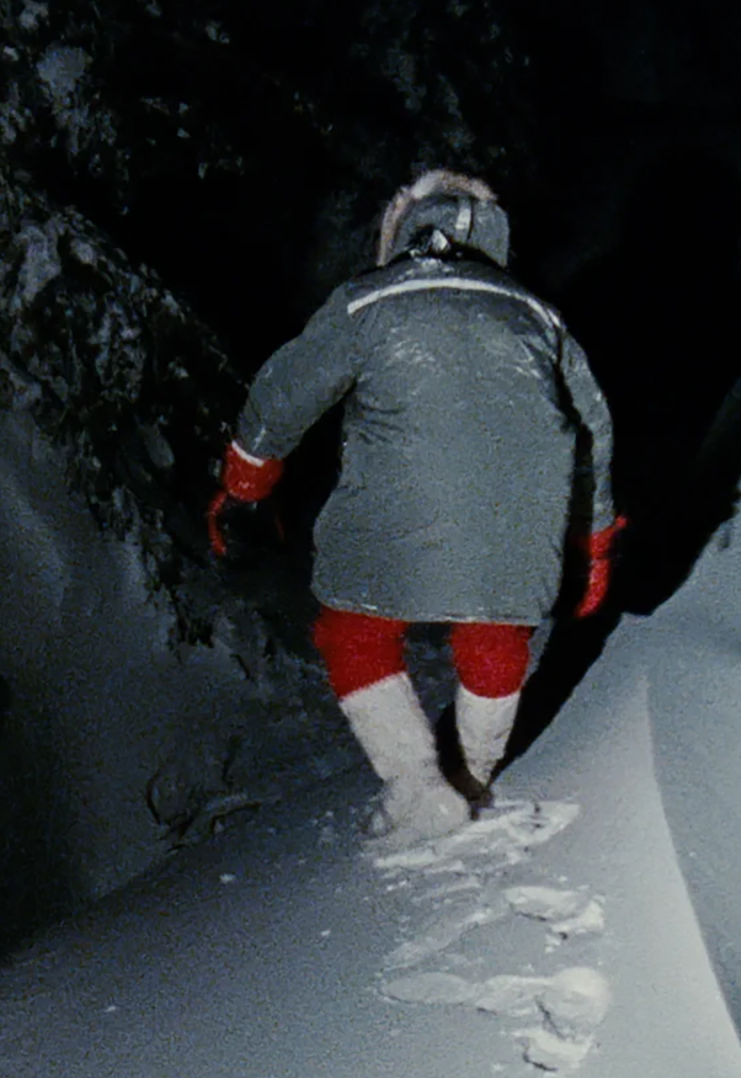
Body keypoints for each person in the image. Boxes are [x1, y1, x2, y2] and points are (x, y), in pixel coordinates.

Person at [208, 169, 621, 845]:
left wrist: (245, 483)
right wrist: (593, 541)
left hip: (394, 504)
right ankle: (472, 776)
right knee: (496, 631)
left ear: (404, 227)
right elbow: (593, 430)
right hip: (520, 515)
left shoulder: (371, 299)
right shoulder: (538, 316)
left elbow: (285, 393)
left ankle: (417, 785)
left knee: (355, 632)